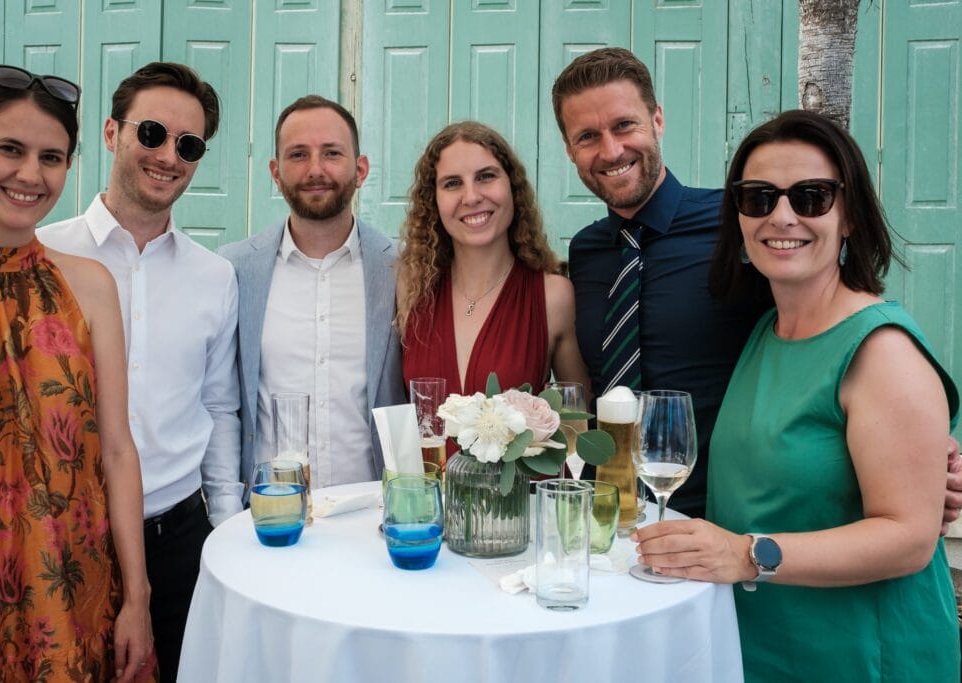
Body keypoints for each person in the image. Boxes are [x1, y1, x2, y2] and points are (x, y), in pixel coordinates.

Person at [553, 47, 962, 524]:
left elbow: (838, 324)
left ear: (657, 120)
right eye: (587, 136)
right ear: (569, 149)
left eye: (625, 125)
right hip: (616, 518)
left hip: (736, 517)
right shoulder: (586, 251)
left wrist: (927, 443)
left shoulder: (746, 221)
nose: (611, 149)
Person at [633, 109, 960, 681]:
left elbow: (908, 537)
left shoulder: (881, 350)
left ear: (851, 215)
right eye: (758, 197)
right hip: (765, 649)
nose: (781, 216)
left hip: (862, 658)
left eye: (811, 196)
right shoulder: (767, 329)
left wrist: (745, 554)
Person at [0, 65, 153, 680]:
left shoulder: (88, 286)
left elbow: (116, 449)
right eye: (10, 148)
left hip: (72, 584)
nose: (30, 174)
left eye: (51, 157)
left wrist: (136, 597)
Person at [38, 62, 242, 682]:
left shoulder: (215, 276)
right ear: (110, 133)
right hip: (63, 533)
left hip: (180, 537)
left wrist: (227, 534)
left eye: (188, 145)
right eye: (151, 133)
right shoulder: (46, 254)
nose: (167, 156)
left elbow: (218, 408)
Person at [219, 95, 404, 489]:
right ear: (275, 171)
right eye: (298, 154)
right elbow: (220, 404)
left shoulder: (402, 269)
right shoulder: (233, 269)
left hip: (373, 514)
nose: (315, 170)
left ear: (361, 168)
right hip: (272, 515)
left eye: (332, 153)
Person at [398, 120, 589, 398]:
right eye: (452, 183)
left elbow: (577, 421)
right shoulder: (410, 288)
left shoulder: (553, 296)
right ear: (433, 201)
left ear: (512, 186)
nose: (472, 196)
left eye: (486, 176)